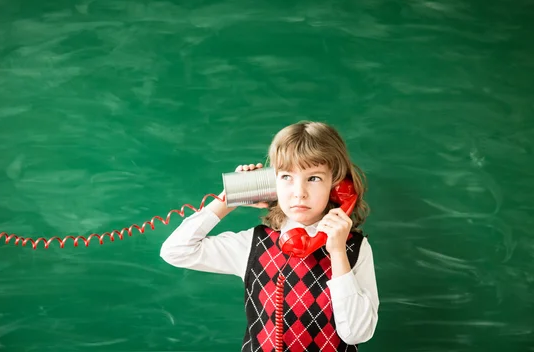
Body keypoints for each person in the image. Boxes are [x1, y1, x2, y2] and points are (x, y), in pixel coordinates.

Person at [160, 121, 379, 351]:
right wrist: (229, 198)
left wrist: (337, 253)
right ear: (272, 182)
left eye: (314, 178)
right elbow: (175, 250)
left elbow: (357, 333)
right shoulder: (253, 245)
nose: (299, 193)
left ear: (336, 185)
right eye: (286, 177)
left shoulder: (354, 249)